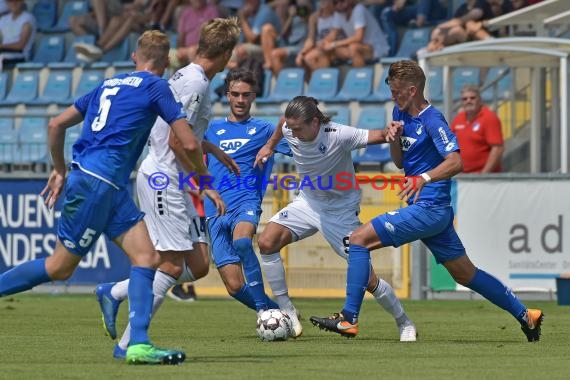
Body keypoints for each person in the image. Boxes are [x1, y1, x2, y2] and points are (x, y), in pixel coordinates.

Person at [0, 30, 209, 364]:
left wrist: (59, 169)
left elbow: (55, 125)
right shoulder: (157, 86)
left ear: (134, 58)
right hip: (100, 183)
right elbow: (187, 142)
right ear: (166, 61)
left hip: (105, 184)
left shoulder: (107, 84)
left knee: (147, 258)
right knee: (60, 268)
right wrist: (203, 179)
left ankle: (136, 344)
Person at [309, 60, 544, 342]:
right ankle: (526, 315)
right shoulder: (400, 112)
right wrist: (393, 138)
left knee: (358, 239)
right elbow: (399, 162)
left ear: (412, 90)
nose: (392, 97)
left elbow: (456, 161)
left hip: (430, 208)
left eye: (396, 92)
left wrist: (424, 179)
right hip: (432, 212)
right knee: (465, 274)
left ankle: (349, 318)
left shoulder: (433, 120)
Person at [92, 17, 241, 359]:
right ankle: (130, 344)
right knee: (171, 266)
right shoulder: (196, 84)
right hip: (164, 178)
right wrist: (206, 184)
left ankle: (115, 292)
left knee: (199, 264)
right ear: (227, 54)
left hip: (174, 176)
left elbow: (183, 134)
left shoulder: (187, 75)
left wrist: (211, 149)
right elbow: (176, 141)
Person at [254, 96, 417, 341]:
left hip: (341, 212)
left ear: (315, 122)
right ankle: (287, 309)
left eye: (299, 128)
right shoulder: (289, 127)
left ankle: (404, 323)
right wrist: (269, 146)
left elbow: (380, 136)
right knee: (267, 242)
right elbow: (281, 125)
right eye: (292, 128)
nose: (293, 133)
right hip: (308, 203)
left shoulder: (339, 134)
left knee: (369, 279)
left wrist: (391, 130)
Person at [204, 68, 291, 316]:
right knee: (234, 287)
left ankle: (263, 311)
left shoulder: (265, 130)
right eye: (235, 94)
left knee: (243, 241)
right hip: (215, 209)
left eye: (246, 95)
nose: (240, 100)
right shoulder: (211, 130)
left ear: (254, 96)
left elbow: (302, 147)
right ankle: (280, 315)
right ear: (228, 95)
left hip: (245, 201)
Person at [450, 84, 504, 173]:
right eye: (465, 99)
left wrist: (483, 175)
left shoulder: (489, 118)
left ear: (480, 100)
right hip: (462, 176)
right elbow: (449, 144)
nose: (468, 101)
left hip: (484, 179)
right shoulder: (458, 118)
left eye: (472, 98)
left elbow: (497, 149)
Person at [0, 0, 36, 69]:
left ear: (22, 2)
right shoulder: (4, 19)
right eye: (10, 1)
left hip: (20, 54)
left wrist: (1, 46)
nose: (14, 4)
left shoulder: (27, 18)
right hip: (4, 51)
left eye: (17, 1)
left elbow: (20, 45)